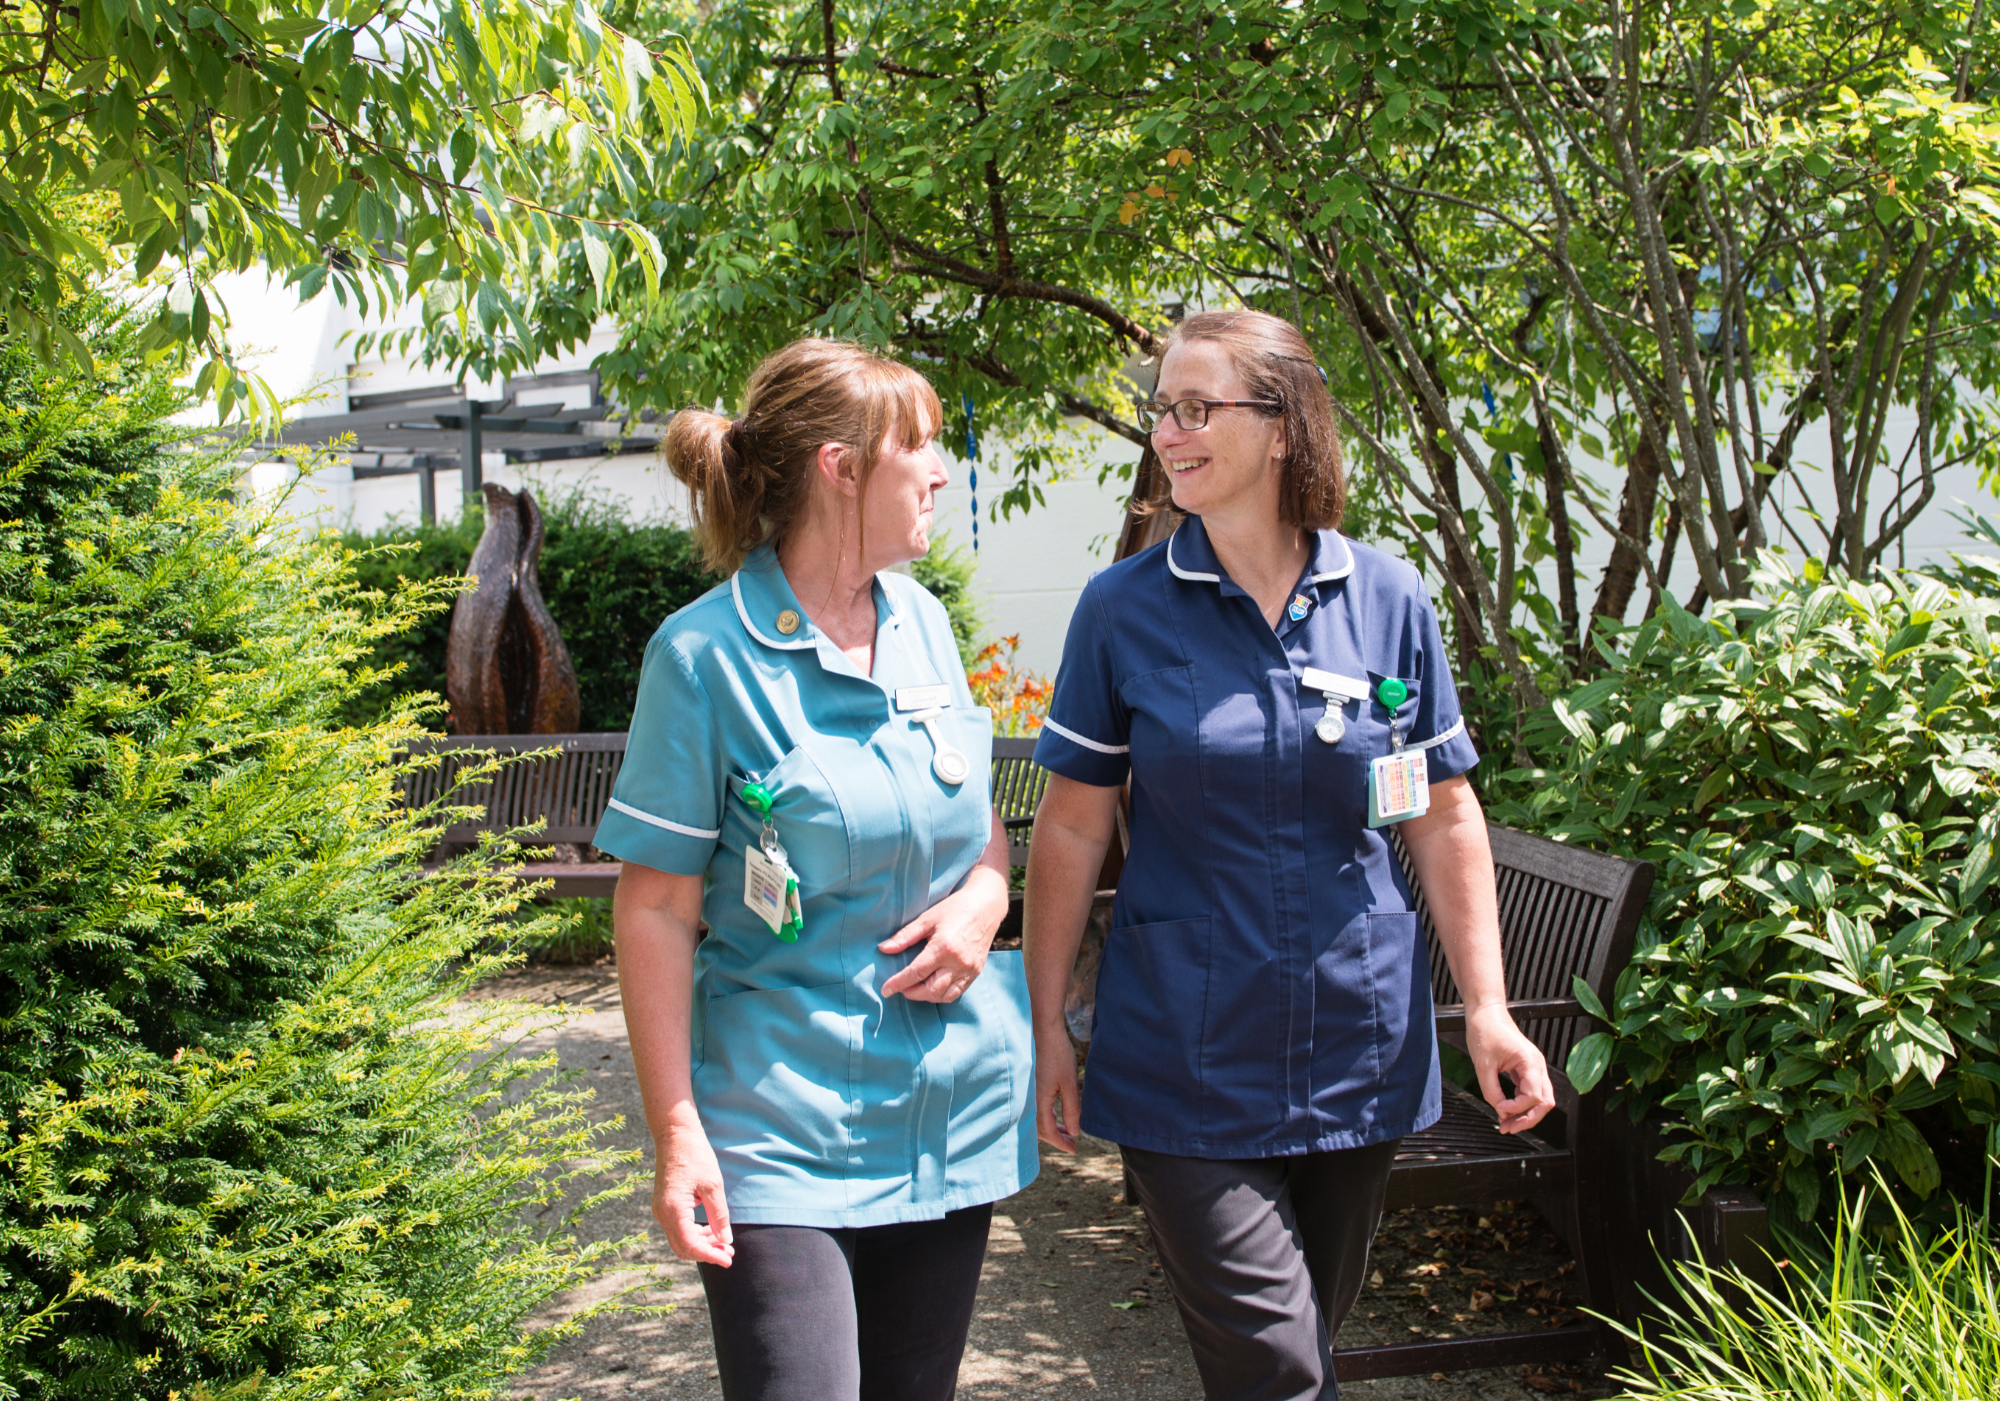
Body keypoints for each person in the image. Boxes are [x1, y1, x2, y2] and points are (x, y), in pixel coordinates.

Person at [1022, 309, 1554, 1401]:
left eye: (1196, 407)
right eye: (1161, 409)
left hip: (1358, 1043)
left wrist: (1489, 1007)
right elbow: (1073, 826)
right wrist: (1045, 1026)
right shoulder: (1123, 611)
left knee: (1303, 1339)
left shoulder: (1387, 599)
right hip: (1184, 1051)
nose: (1168, 433)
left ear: (1282, 427)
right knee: (1274, 1367)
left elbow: (1441, 814)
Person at [599, 339, 1034, 1401]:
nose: (939, 470)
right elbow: (655, 908)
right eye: (919, 447)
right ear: (840, 468)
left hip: (947, 1119)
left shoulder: (926, 625)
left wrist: (985, 901)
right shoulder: (702, 659)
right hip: (779, 1130)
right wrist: (677, 1135)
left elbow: (979, 829)